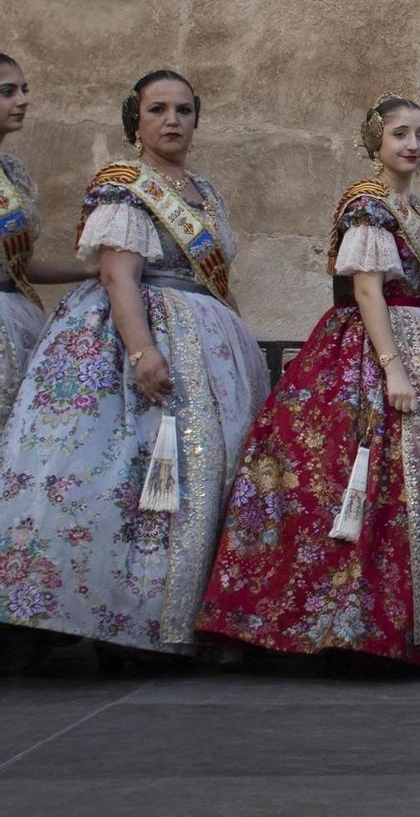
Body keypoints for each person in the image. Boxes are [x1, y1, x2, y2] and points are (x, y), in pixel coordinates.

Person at [200, 96, 420, 664]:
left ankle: (403, 620)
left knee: (413, 485)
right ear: (374, 141)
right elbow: (367, 289)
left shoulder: (414, 211)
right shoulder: (367, 205)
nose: (412, 144)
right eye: (400, 133)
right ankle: (336, 622)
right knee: (344, 475)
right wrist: (393, 365)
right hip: (369, 353)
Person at [0, 70, 267, 663]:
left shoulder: (206, 190)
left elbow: (213, 276)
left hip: (210, 338)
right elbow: (120, 275)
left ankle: (187, 617)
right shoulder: (124, 185)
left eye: (183, 110)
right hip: (142, 339)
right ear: (136, 119)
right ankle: (129, 624)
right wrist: (143, 351)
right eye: (157, 110)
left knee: (204, 478)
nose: (172, 120)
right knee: (133, 478)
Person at [0, 53, 95, 428]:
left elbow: (19, 265)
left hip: (16, 317)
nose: (23, 100)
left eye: (24, 90)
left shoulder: (12, 171)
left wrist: (88, 269)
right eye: (7, 92)